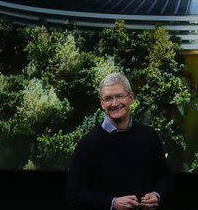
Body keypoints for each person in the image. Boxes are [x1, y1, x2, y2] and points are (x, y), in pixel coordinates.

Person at [67, 72, 171, 210]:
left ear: (131, 98)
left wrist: (157, 195)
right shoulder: (88, 144)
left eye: (120, 96)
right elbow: (75, 193)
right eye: (108, 98)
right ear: (102, 103)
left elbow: (165, 177)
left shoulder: (149, 135)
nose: (114, 103)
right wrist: (111, 203)